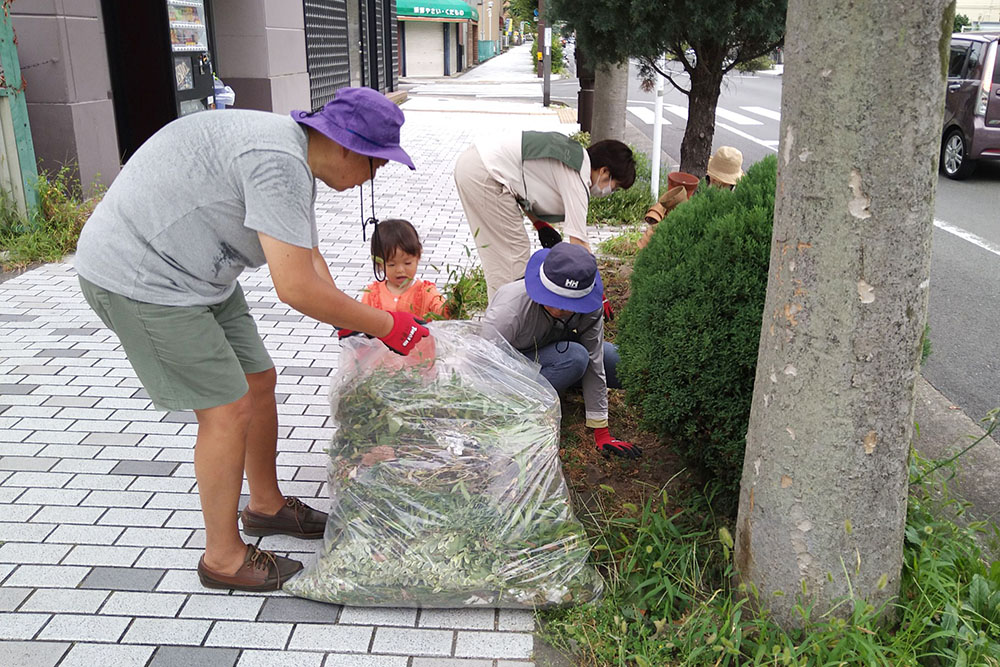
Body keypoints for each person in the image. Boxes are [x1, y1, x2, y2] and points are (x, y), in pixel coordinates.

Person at [74, 87, 430, 592]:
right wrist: (391, 326)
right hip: (142, 277)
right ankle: (222, 558)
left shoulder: (295, 155)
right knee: (227, 408)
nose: (374, 177)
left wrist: (354, 326)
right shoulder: (279, 162)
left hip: (197, 271)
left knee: (257, 379)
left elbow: (307, 258)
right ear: (349, 148)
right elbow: (295, 288)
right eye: (377, 165)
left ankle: (265, 506)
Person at [481, 242, 641, 459]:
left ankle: (567, 382)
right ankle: (536, 401)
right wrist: (507, 409)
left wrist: (601, 430)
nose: (559, 310)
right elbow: (484, 365)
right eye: (553, 301)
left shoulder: (590, 308)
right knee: (576, 357)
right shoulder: (509, 309)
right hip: (514, 362)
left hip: (556, 348)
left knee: (621, 362)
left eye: (569, 306)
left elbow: (595, 360)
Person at [454, 131, 636, 300]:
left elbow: (523, 186)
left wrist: (540, 225)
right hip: (485, 173)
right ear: (604, 171)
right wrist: (596, 291)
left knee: (504, 257)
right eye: (615, 186)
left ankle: (502, 316)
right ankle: (504, 323)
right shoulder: (577, 174)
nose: (611, 191)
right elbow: (579, 244)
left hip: (478, 163)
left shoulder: (572, 155)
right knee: (513, 256)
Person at [361, 219, 448, 320]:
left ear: (418, 257)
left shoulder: (426, 293)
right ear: (380, 264)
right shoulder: (372, 295)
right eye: (391, 264)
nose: (400, 270)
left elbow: (445, 314)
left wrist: (454, 304)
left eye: (407, 263)